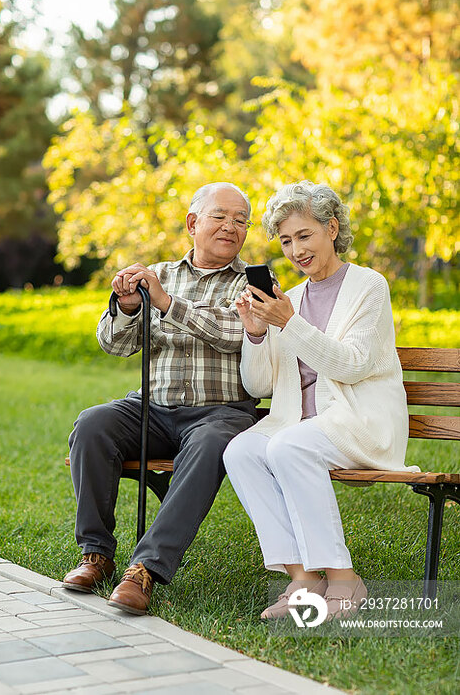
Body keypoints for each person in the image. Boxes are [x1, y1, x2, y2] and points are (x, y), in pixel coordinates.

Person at [223, 180, 419, 620]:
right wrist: (256, 332)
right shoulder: (288, 300)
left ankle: (345, 579)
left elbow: (351, 365)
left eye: (304, 235)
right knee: (241, 450)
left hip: (359, 421)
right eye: (287, 241)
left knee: (288, 446)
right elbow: (259, 386)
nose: (295, 250)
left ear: (332, 229)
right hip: (298, 423)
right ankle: (303, 578)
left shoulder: (370, 286)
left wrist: (290, 325)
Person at [63, 182, 260, 615]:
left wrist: (167, 304)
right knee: (93, 424)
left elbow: (235, 335)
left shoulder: (254, 281)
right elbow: (114, 345)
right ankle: (95, 554)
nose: (232, 226)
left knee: (211, 445)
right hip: (151, 408)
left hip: (220, 412)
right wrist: (130, 306)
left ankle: (145, 570)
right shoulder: (157, 273)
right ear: (193, 223)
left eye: (241, 220)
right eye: (221, 216)